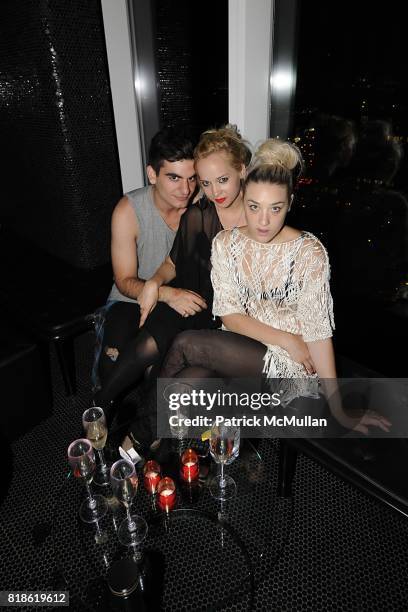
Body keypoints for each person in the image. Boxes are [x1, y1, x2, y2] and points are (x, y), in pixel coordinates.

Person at [160, 138, 391, 434]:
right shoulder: (226, 243)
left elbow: (318, 334)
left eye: (275, 208)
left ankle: (139, 441)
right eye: (254, 207)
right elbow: (229, 315)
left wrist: (340, 410)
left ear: (290, 204)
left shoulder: (309, 252)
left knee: (185, 343)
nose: (264, 221)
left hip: (288, 363)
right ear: (244, 199)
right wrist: (286, 338)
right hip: (243, 343)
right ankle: (160, 452)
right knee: (190, 380)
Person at [93, 126, 197, 417]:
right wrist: (165, 292)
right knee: (112, 363)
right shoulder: (128, 209)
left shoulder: (200, 206)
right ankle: (99, 419)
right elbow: (124, 280)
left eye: (192, 178)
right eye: (174, 178)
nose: (186, 189)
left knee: (159, 369)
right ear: (152, 175)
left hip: (176, 302)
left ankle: (144, 437)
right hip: (131, 297)